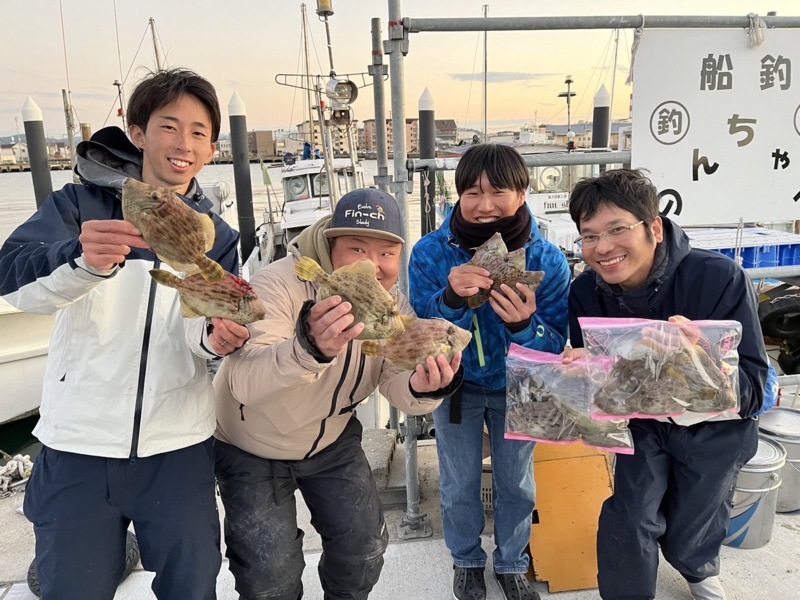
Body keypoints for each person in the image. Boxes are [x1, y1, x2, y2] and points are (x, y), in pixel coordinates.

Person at [0, 68, 248, 599]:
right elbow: (12, 280)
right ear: (138, 132)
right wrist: (81, 259)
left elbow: (203, 326)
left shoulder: (219, 236)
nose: (183, 144)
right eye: (168, 126)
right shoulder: (79, 205)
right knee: (72, 587)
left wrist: (217, 338)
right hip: (79, 443)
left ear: (211, 149)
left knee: (192, 585)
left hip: (178, 445)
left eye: (199, 132)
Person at [213, 187, 463, 600]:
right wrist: (308, 348)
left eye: (387, 253)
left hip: (331, 438)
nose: (373, 266)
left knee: (364, 551)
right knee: (270, 577)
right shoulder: (276, 285)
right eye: (357, 249)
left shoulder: (393, 306)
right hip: (250, 444)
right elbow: (245, 382)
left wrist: (424, 387)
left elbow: (394, 382)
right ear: (331, 247)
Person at [563, 169, 767, 600]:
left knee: (696, 520)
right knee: (631, 516)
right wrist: (585, 376)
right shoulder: (584, 293)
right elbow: (604, 387)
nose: (603, 247)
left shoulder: (719, 278)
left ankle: (696, 567)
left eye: (617, 229)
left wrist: (700, 363)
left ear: (654, 228)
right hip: (641, 423)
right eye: (590, 236)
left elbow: (754, 389)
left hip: (717, 428)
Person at [409, 144, 571, 600]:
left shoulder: (547, 260)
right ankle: (466, 560)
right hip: (456, 386)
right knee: (458, 481)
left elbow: (555, 347)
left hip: (522, 386)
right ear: (458, 195)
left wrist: (525, 326)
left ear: (522, 193)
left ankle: (512, 561)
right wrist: (450, 300)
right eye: (472, 193)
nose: (485, 205)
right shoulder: (429, 253)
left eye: (498, 191)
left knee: (517, 482)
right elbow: (421, 333)